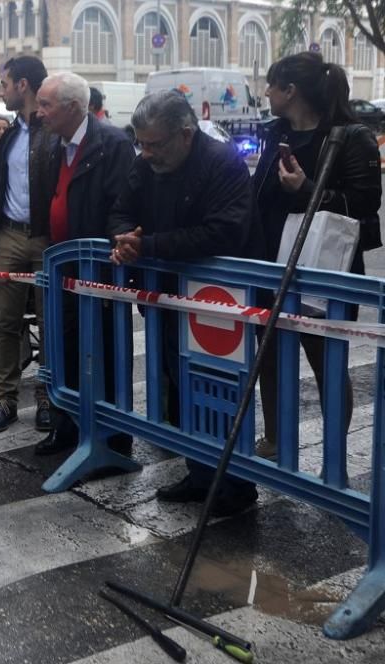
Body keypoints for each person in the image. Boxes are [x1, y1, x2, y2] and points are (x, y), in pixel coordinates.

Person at [108, 91, 263, 516]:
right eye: (142, 143)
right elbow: (120, 211)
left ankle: (233, 485)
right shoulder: (144, 164)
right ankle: (200, 474)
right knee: (182, 383)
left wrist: (149, 246)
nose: (147, 153)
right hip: (166, 294)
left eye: (156, 144)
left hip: (217, 298)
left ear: (186, 134)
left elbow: (223, 233)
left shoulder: (222, 163)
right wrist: (125, 240)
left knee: (220, 388)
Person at [253, 52, 382, 459]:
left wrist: (305, 188)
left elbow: (364, 205)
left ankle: (333, 455)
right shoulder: (274, 133)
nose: (266, 92)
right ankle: (275, 440)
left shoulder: (350, 136)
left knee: (326, 360)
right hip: (273, 263)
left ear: (290, 91)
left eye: (272, 84)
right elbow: (260, 196)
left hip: (325, 268)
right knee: (269, 355)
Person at [31, 72, 136, 456]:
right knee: (64, 349)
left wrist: (108, 261)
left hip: (99, 271)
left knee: (106, 352)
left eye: (46, 105)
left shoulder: (112, 144)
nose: (39, 112)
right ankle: (67, 428)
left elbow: (121, 209)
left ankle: (112, 438)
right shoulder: (51, 143)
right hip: (62, 267)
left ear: (73, 108)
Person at [0, 55, 56, 435]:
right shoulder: (8, 134)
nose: (2, 90)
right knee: (6, 323)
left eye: (5, 83)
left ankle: (47, 397)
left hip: (46, 239)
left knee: (50, 323)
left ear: (23, 85)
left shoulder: (52, 130)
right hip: (8, 235)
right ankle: (5, 399)